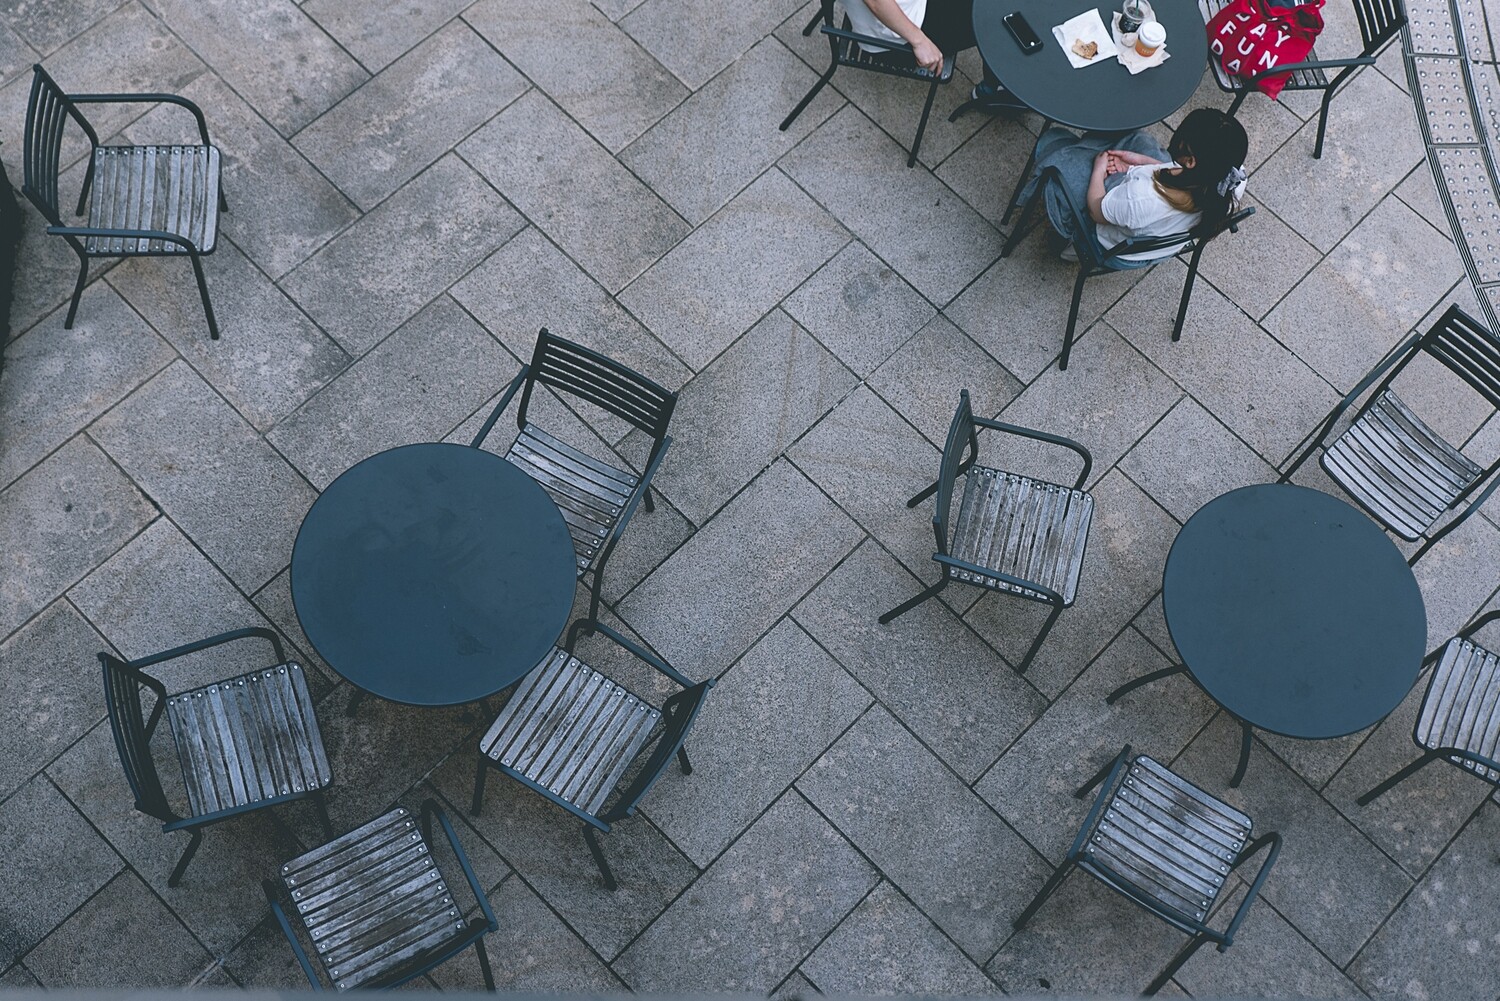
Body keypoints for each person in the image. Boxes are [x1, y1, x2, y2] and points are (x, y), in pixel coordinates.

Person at [1017, 108, 1250, 263]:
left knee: (1059, 157)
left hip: (1110, 239)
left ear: (1190, 161)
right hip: (1155, 232)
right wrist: (1142, 163)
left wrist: (1099, 170)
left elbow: (1096, 211)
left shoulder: (1140, 198)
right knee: (1141, 142)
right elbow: (1178, 176)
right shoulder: (1229, 184)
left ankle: (1075, 250)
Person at [844, 0, 1003, 99]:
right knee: (992, 16)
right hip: (900, 36)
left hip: (912, 9)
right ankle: (993, 90)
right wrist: (920, 41)